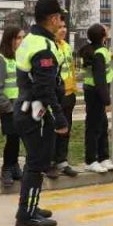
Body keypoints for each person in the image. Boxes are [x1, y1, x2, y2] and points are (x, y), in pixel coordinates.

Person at [13, 0, 67, 226]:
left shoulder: (31, 39)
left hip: (26, 109)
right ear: (53, 18)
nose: (61, 22)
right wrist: (59, 118)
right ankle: (26, 216)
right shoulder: (43, 47)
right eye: (60, 18)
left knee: (33, 162)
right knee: (37, 163)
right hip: (36, 113)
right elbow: (45, 89)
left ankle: (30, 207)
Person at [0, 25, 26, 189]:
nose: (22, 41)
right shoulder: (1, 59)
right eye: (19, 38)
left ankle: (14, 166)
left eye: (23, 37)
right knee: (11, 138)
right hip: (10, 106)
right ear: (10, 40)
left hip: (21, 104)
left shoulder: (21, 57)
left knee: (17, 137)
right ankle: (6, 168)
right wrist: (7, 106)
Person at [80, 23, 113, 173]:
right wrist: (107, 101)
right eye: (106, 30)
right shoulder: (99, 53)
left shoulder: (92, 50)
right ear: (103, 36)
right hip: (96, 92)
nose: (108, 30)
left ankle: (103, 157)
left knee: (102, 125)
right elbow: (100, 78)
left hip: (93, 91)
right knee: (94, 127)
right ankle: (91, 160)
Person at [49, 19, 79, 178]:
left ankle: (62, 160)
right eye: (59, 27)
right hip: (55, 95)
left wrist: (73, 88)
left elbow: (71, 69)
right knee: (53, 129)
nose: (63, 30)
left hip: (68, 93)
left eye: (64, 27)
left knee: (66, 129)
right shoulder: (49, 46)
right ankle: (50, 162)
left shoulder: (66, 46)